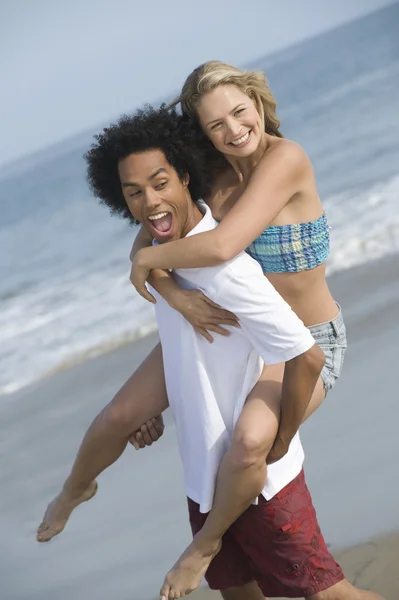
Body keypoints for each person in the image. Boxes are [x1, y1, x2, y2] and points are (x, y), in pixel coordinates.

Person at [37, 108, 385, 600]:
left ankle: (199, 545)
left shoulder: (227, 269)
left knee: (327, 595)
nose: (149, 201)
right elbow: (182, 346)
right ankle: (77, 489)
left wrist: (281, 437)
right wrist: (152, 408)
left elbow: (306, 354)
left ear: (185, 175)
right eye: (134, 193)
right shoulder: (165, 256)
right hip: (204, 474)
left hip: (261, 484)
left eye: (160, 184)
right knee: (239, 593)